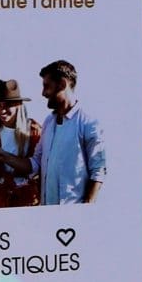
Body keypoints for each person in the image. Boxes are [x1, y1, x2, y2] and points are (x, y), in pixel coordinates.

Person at [34, 58, 106, 205]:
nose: (43, 93)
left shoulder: (88, 122)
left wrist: (85, 210)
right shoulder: (48, 122)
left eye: (47, 86)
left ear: (62, 84)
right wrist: (2, 155)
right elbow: (36, 162)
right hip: (47, 214)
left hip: (74, 217)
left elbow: (98, 170)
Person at [0, 78, 42, 209]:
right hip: (0, 200)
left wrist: (4, 156)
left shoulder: (34, 130)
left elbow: (37, 168)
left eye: (7, 105)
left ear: (19, 105)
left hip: (28, 201)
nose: (2, 111)